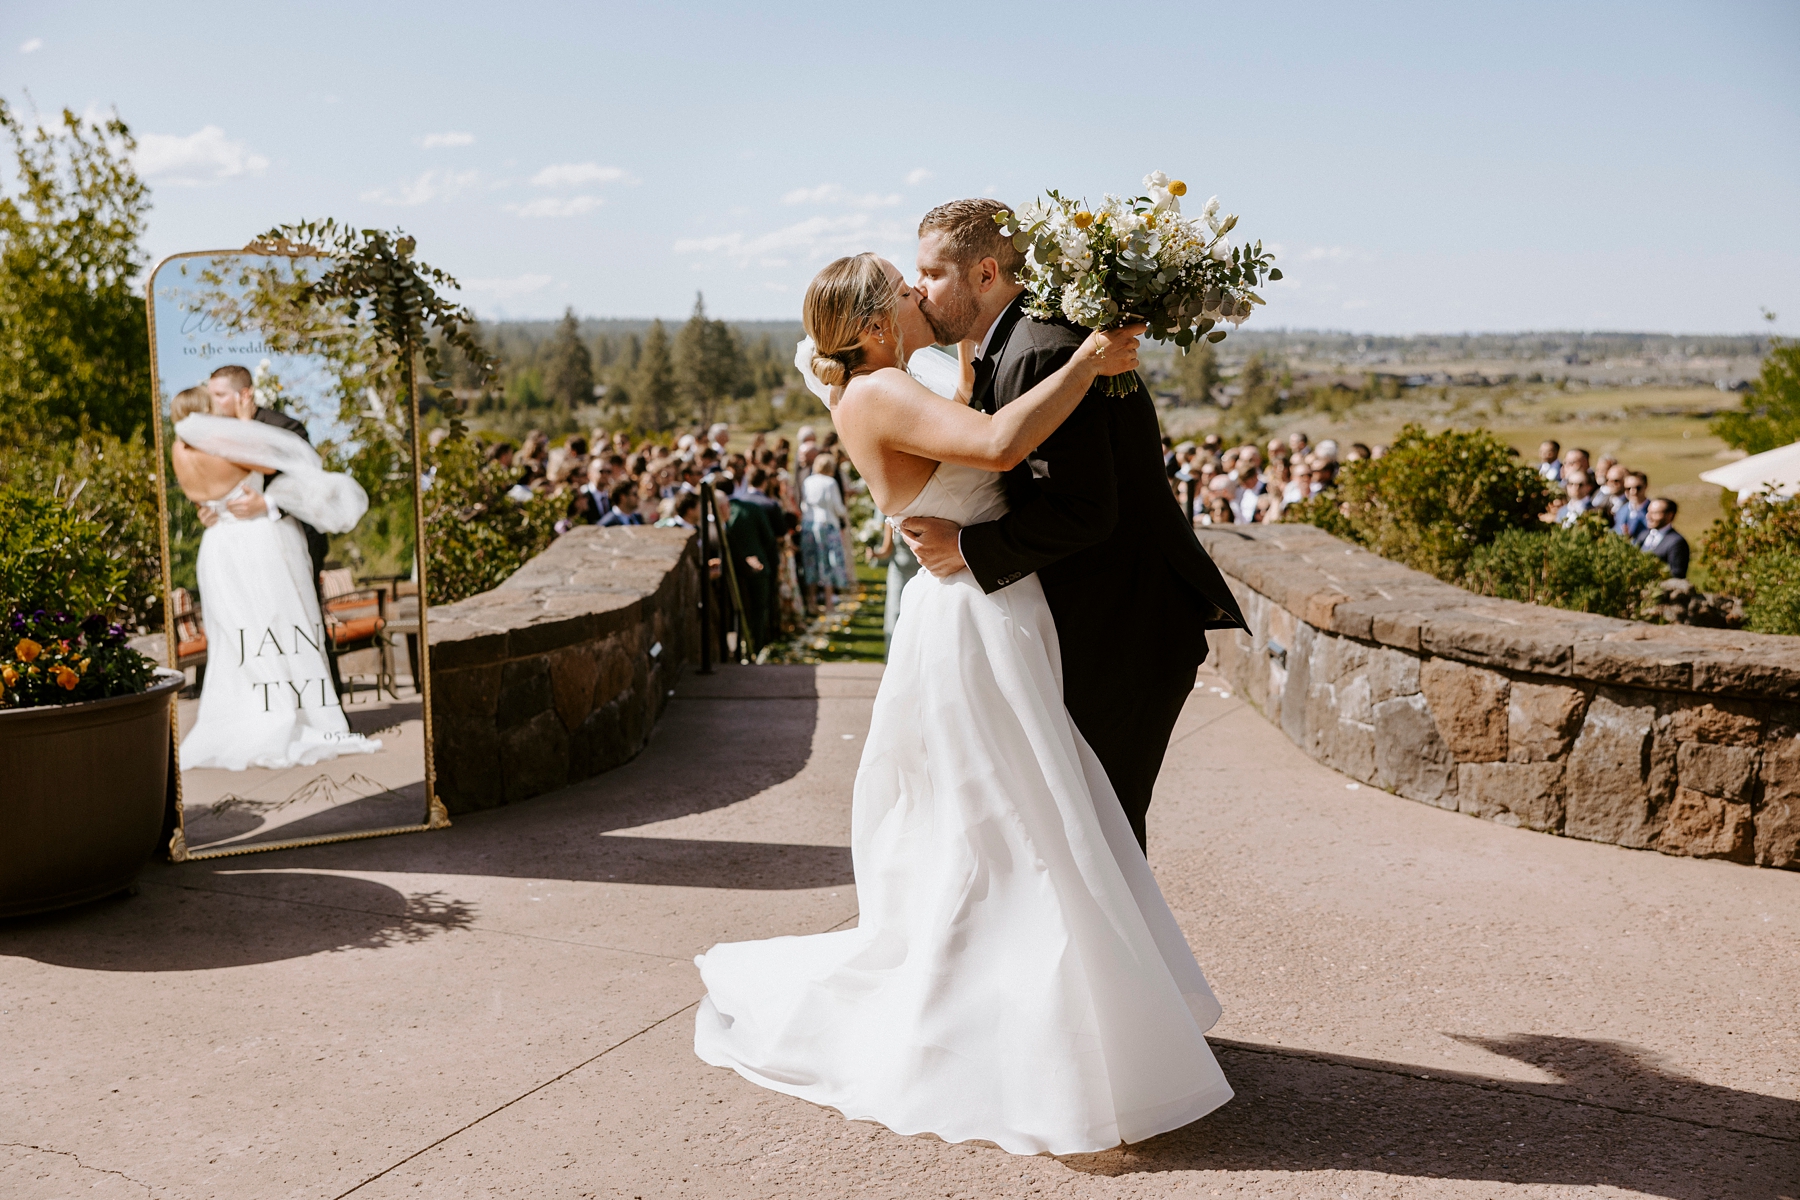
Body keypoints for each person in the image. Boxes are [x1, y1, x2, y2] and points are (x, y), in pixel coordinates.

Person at [694, 245, 1232, 1157]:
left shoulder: (906, 375)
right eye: (902, 291)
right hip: (972, 616)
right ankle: (1017, 1031)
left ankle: (1053, 1019)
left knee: (1022, 819)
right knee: (1011, 825)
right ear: (870, 324)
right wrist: (1088, 359)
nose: (915, 295)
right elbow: (995, 445)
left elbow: (973, 402)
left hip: (995, 608)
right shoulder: (875, 392)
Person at [167, 387, 380, 770]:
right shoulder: (227, 443)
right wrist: (246, 428)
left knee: (238, 638)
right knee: (278, 627)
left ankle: (246, 714)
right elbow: (267, 464)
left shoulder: (178, 451)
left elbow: (203, 498)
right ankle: (285, 716)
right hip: (254, 544)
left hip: (216, 547)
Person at [799, 453, 850, 613]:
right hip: (826, 524)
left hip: (808, 524)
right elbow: (837, 507)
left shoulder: (808, 481)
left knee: (810, 562)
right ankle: (829, 604)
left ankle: (812, 603)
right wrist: (844, 510)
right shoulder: (830, 482)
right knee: (827, 562)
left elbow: (803, 505)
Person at [1635, 498, 1689, 578]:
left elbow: (1677, 574)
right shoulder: (1643, 535)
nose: (1648, 516)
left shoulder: (1677, 542)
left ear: (1670, 515)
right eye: (1648, 511)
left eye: (1655, 513)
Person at [1613, 471, 1651, 539]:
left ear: (1645, 486)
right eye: (1628, 488)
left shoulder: (1652, 511)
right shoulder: (1622, 509)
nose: (1633, 492)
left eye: (1638, 488)